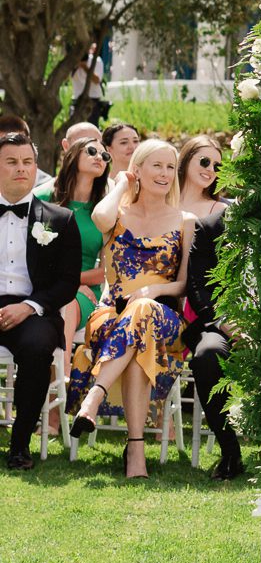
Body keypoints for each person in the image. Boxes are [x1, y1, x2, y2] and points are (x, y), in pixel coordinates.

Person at [67, 140, 194, 479]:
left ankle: (93, 398)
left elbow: (184, 284)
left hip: (164, 315)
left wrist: (153, 290)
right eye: (156, 165)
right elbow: (99, 216)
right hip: (113, 317)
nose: (165, 174)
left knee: (143, 312)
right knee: (139, 337)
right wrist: (123, 183)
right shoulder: (117, 214)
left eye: (170, 167)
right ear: (138, 169)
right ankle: (135, 450)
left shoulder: (185, 220)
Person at [0, 132, 81, 469]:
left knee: (36, 349)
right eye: (12, 162)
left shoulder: (60, 220)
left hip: (35, 309)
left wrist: (29, 306)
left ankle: (19, 445)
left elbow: (67, 283)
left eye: (28, 162)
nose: (22, 169)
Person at [33, 139, 109, 369]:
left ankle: (62, 381)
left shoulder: (103, 211)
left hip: (84, 293)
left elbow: (105, 271)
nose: (99, 157)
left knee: (68, 303)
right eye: (93, 151)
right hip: (40, 284)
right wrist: (66, 283)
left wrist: (71, 283)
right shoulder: (44, 198)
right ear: (73, 154)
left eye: (105, 156)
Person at [184, 207, 244, 479]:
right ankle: (230, 452)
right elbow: (197, 287)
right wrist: (226, 323)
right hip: (225, 325)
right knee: (207, 354)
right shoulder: (209, 226)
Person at [178, 135, 226, 220]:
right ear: (187, 159)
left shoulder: (219, 210)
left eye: (217, 166)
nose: (211, 169)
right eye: (205, 161)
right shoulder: (161, 199)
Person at [71, 42, 106, 126]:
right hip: (77, 98)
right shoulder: (71, 61)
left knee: (92, 127)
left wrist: (84, 67)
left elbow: (97, 80)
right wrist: (75, 66)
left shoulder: (96, 61)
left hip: (92, 99)